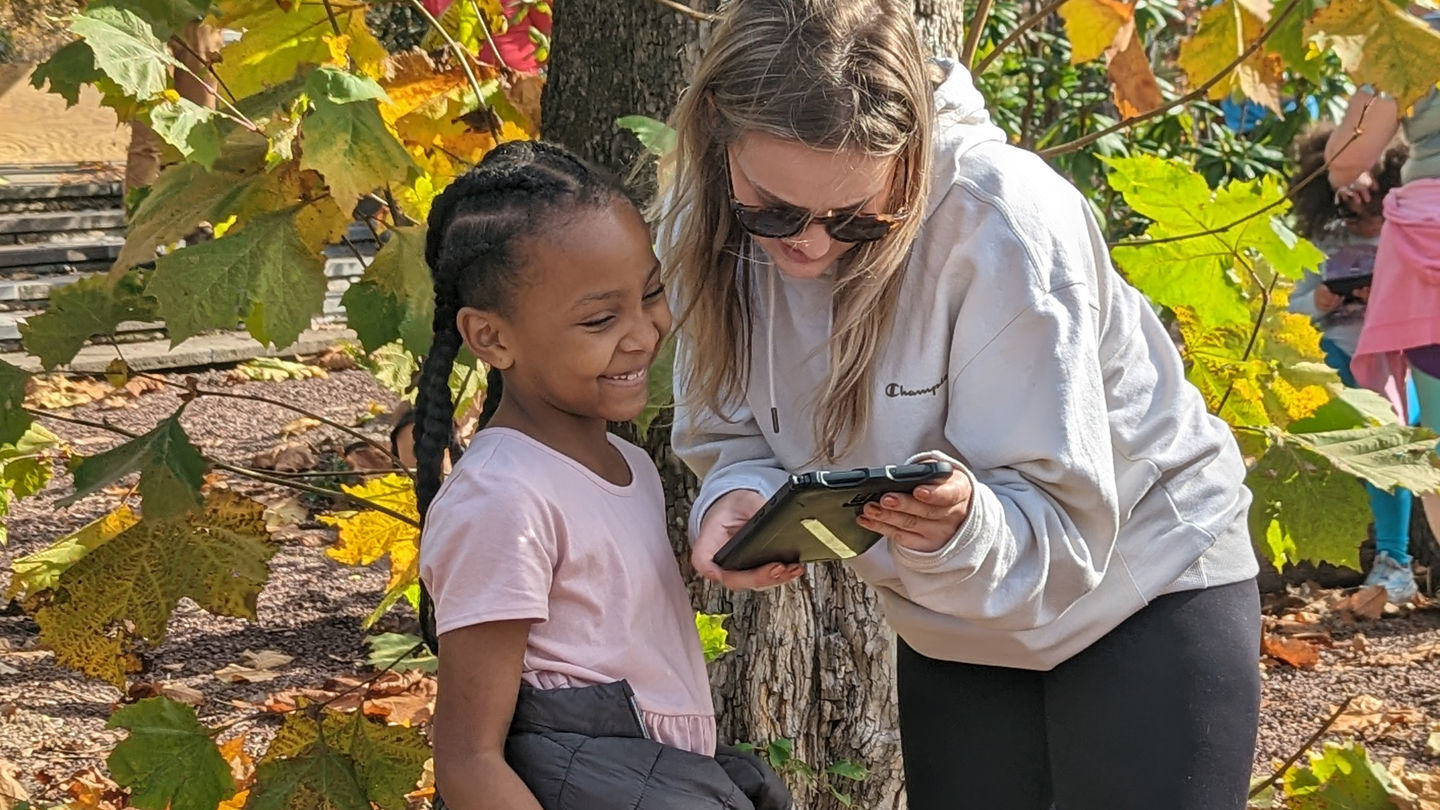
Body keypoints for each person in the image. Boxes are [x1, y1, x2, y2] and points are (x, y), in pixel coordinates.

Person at [656, 0, 1262, 808]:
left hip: (1143, 582)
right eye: (771, 211)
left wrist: (967, 524)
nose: (809, 245)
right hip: (951, 622)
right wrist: (739, 497)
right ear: (714, 133)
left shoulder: (1004, 222)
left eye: (856, 221)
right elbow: (730, 432)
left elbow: (1066, 530)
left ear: (909, 163)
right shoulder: (703, 225)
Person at [413, 141, 790, 810]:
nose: (644, 333)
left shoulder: (630, 465)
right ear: (492, 338)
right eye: (599, 320)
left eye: (650, 294)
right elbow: (469, 760)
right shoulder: (503, 500)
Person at [1326, 5, 1440, 552]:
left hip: (1429, 248)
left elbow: (1346, 162)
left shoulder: (1412, 38)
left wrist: (1372, 80)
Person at [1289, 128, 1420, 604]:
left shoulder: (1410, 226)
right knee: (1365, 433)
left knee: (1388, 441)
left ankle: (1394, 560)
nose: (1363, 213)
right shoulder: (1323, 238)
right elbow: (1289, 309)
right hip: (1336, 354)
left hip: (1399, 357)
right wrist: (1320, 300)